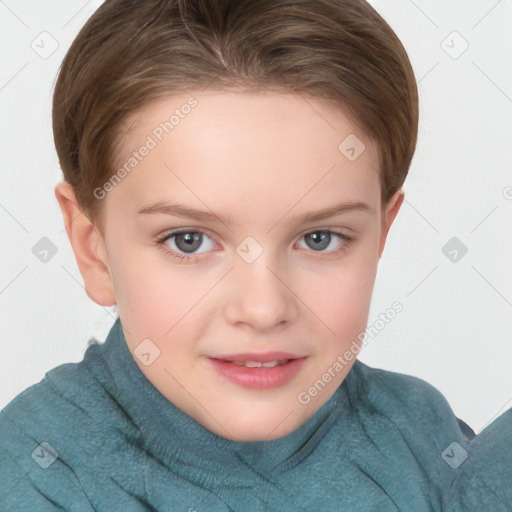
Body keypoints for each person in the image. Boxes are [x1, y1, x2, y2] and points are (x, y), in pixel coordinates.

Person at [1, 0, 509, 509]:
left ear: (382, 234)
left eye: (320, 238)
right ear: (95, 250)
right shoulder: (33, 476)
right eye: (188, 240)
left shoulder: (423, 439)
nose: (264, 309)